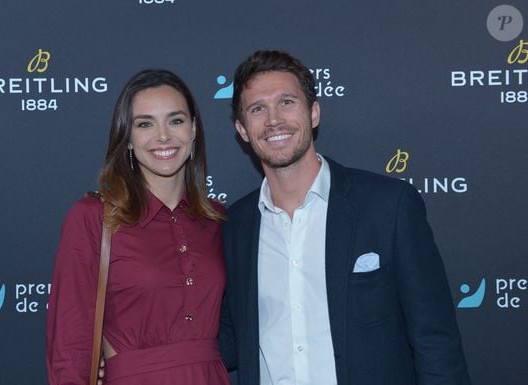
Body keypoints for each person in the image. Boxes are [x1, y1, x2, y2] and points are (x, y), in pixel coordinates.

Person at [219, 50, 471, 385]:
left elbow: (435, 340)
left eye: (287, 102)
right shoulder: (235, 227)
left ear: (314, 113)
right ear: (243, 129)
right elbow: (225, 341)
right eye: (257, 109)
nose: (273, 119)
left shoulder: (388, 206)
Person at [46, 69, 230, 385]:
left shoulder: (217, 219)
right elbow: (70, 341)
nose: (163, 136)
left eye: (176, 120)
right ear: (127, 138)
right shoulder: (92, 218)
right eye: (145, 124)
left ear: (194, 129)